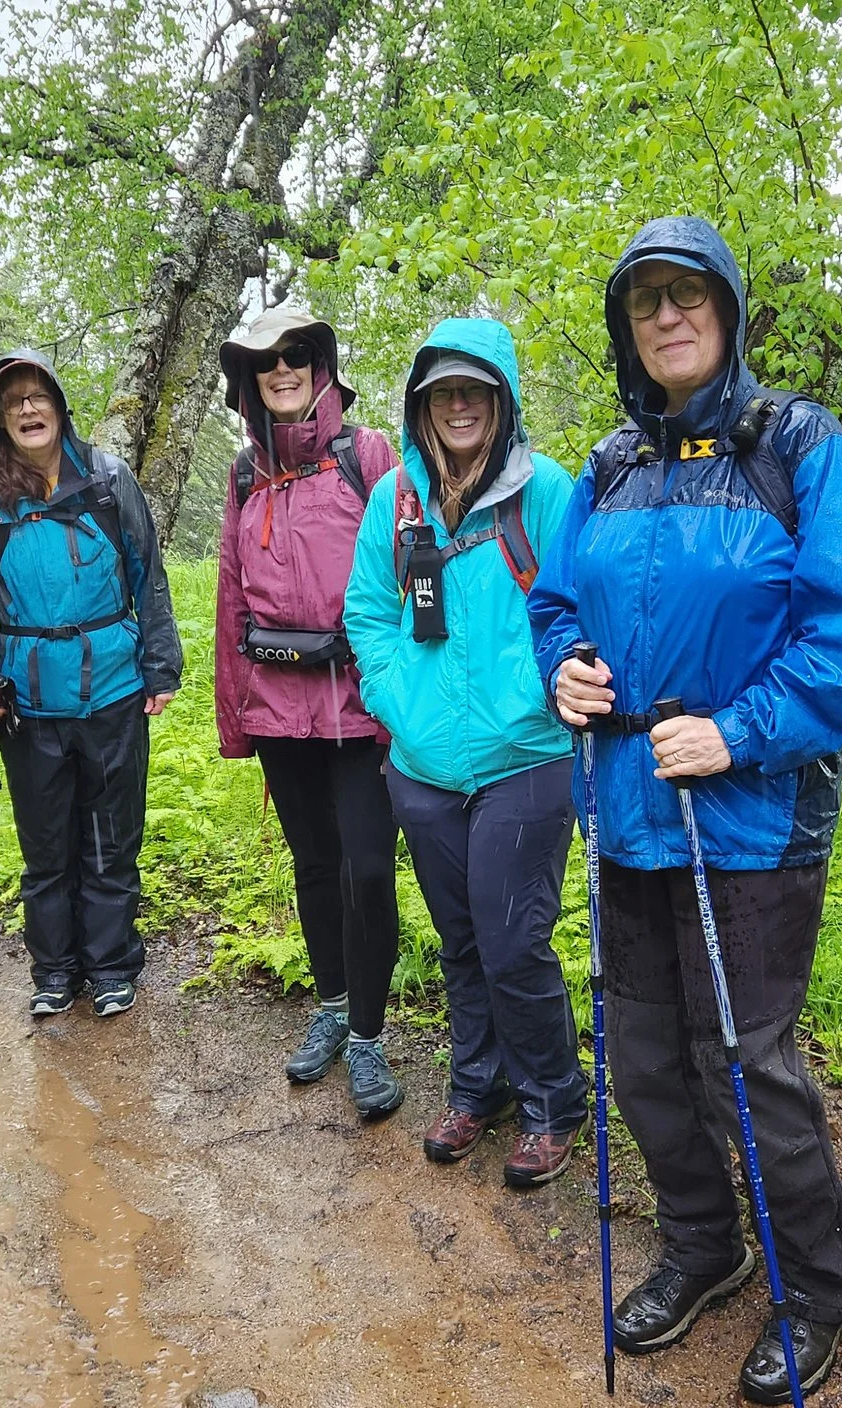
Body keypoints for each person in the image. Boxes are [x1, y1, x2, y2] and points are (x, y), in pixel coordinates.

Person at [531, 216, 842, 1403]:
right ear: (625, 330)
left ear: (728, 310)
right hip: (625, 809)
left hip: (750, 821)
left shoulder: (798, 443)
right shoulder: (607, 466)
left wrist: (738, 731)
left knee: (747, 1063)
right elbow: (558, 604)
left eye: (689, 295)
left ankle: (816, 1295)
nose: (668, 316)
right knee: (641, 1061)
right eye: (646, 303)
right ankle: (703, 1245)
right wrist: (566, 665)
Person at [341, 317, 586, 1189]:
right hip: (423, 766)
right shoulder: (393, 503)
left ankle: (556, 1096)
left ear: (503, 400)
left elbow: (581, 607)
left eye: (475, 391)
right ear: (420, 406)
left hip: (527, 756)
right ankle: (478, 1087)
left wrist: (546, 690)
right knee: (461, 941)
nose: (458, 406)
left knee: (513, 940)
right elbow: (368, 611)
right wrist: (394, 699)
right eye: (443, 392)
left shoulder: (547, 493)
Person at [0, 349, 181, 1021]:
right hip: (28, 701)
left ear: (58, 406)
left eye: (36, 395)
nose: (27, 408)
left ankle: (110, 967)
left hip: (111, 690)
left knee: (110, 840)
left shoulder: (109, 481)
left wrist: (160, 665)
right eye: (12, 400)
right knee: (47, 847)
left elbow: (147, 574)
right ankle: (54, 970)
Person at [214, 308, 405, 1120]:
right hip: (278, 708)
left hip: (361, 708)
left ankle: (367, 1036)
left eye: (296, 354)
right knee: (316, 868)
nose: (282, 369)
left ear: (320, 363)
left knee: (367, 870)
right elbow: (230, 597)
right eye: (266, 362)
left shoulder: (366, 458)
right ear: (249, 383)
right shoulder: (241, 477)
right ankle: (330, 1008)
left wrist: (405, 706)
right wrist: (235, 720)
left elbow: (405, 578)